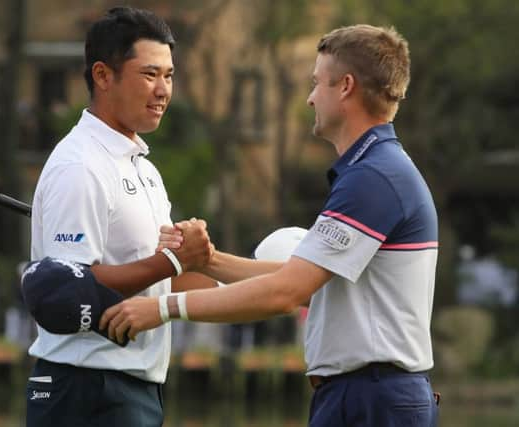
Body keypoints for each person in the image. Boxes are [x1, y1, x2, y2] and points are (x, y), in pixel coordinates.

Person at [101, 24, 440, 427]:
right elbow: (297, 276)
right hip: (368, 395)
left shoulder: (373, 178)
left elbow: (286, 292)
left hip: (371, 398)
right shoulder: (375, 169)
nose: (311, 98)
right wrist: (205, 260)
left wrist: (161, 308)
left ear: (346, 87)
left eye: (317, 84)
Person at [26, 7, 216, 427]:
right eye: (149, 75)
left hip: (135, 386)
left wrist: (268, 283)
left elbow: (160, 279)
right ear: (102, 75)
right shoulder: (79, 165)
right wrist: (174, 260)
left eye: (169, 75)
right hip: (85, 387)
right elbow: (68, 288)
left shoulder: (143, 168)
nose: (163, 90)